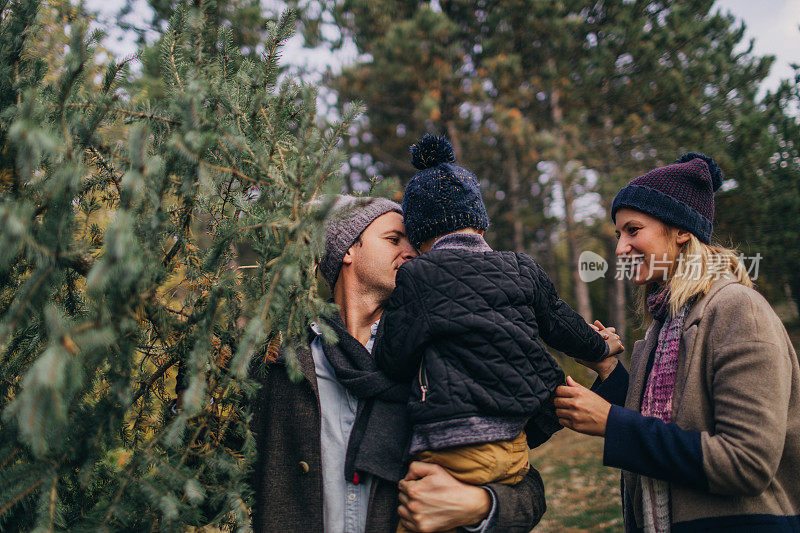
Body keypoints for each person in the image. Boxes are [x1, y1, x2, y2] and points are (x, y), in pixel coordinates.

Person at [248, 195, 548, 533]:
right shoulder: (280, 356)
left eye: (414, 243)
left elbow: (528, 488)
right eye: (393, 239)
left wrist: (478, 505)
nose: (412, 252)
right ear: (348, 250)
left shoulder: (441, 353)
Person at [371, 135, 622, 533]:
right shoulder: (522, 268)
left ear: (419, 236)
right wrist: (602, 344)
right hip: (515, 447)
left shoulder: (418, 275)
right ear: (481, 222)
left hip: (451, 448)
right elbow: (561, 324)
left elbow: (392, 357)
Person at [554, 153, 800, 532]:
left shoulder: (738, 310)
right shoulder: (667, 321)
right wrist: (604, 366)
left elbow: (746, 463)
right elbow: (665, 423)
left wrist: (612, 425)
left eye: (633, 230)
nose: (620, 248)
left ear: (681, 231)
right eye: (619, 234)